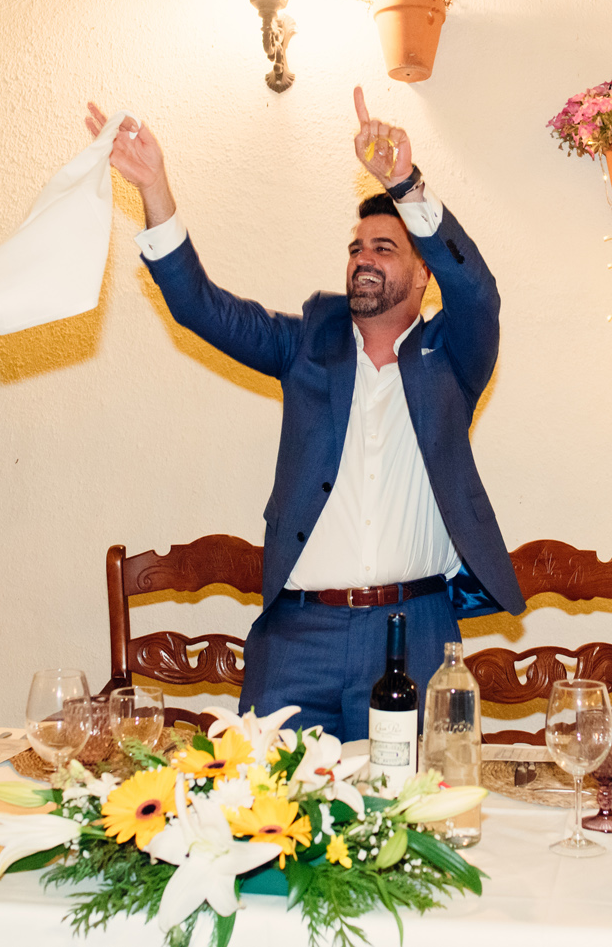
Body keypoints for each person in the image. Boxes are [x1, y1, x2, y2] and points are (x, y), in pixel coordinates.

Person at [85, 89, 525, 742]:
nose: (363, 258)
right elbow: (200, 307)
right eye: (356, 248)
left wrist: (406, 183)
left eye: (385, 247)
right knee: (267, 799)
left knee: (416, 801)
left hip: (415, 630)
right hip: (299, 638)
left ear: (424, 274)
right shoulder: (305, 346)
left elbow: (478, 291)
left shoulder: (453, 360)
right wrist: (155, 189)